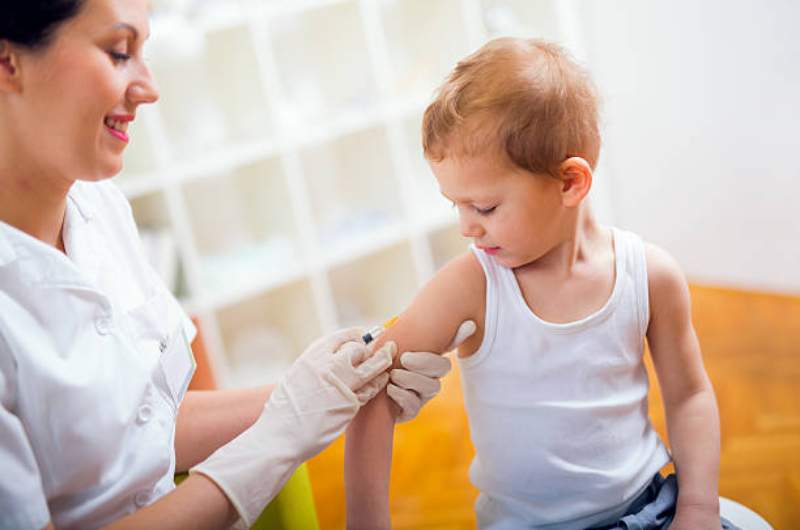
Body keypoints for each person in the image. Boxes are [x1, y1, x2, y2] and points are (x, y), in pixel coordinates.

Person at [0, 1, 476, 529]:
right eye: (119, 53)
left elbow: (139, 430)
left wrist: (322, 395)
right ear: (8, 62)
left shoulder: (99, 208)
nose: (150, 87)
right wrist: (277, 439)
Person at [344, 38, 740, 530]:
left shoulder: (650, 275)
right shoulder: (472, 285)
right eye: (456, 205)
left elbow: (689, 395)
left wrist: (698, 507)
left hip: (646, 508)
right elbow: (372, 390)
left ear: (570, 182)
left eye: (484, 207)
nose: (467, 227)